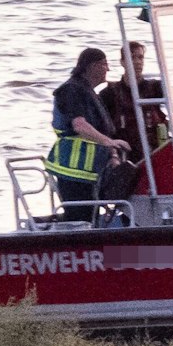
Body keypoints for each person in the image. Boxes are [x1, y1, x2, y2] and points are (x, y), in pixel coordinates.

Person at [46, 47, 131, 223]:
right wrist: (109, 143)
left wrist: (113, 156)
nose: (108, 69)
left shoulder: (88, 92)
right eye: (104, 64)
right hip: (73, 170)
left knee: (89, 217)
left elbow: (103, 129)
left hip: (89, 171)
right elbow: (80, 126)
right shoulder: (71, 91)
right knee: (79, 218)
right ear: (91, 66)